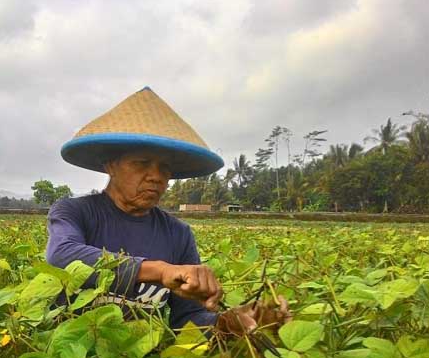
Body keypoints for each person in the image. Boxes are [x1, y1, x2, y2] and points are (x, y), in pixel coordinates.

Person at [46, 87, 290, 336]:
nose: (155, 176)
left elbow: (186, 317)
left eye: (164, 168)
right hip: (74, 354)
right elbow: (62, 256)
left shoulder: (177, 234)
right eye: (141, 163)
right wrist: (161, 271)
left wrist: (228, 323)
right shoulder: (75, 211)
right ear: (111, 165)